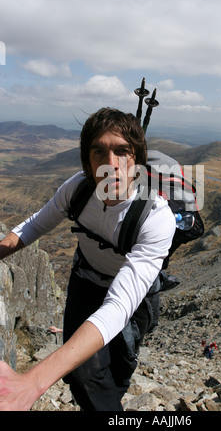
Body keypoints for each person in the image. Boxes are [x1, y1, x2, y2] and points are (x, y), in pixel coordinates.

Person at [0, 108, 176, 411]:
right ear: (87, 160)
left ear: (138, 160)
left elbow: (119, 307)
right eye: (99, 151)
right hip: (85, 282)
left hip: (133, 301)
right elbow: (33, 226)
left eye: (123, 152)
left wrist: (32, 383)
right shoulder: (78, 189)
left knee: (116, 375)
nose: (111, 164)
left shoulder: (156, 218)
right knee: (81, 374)